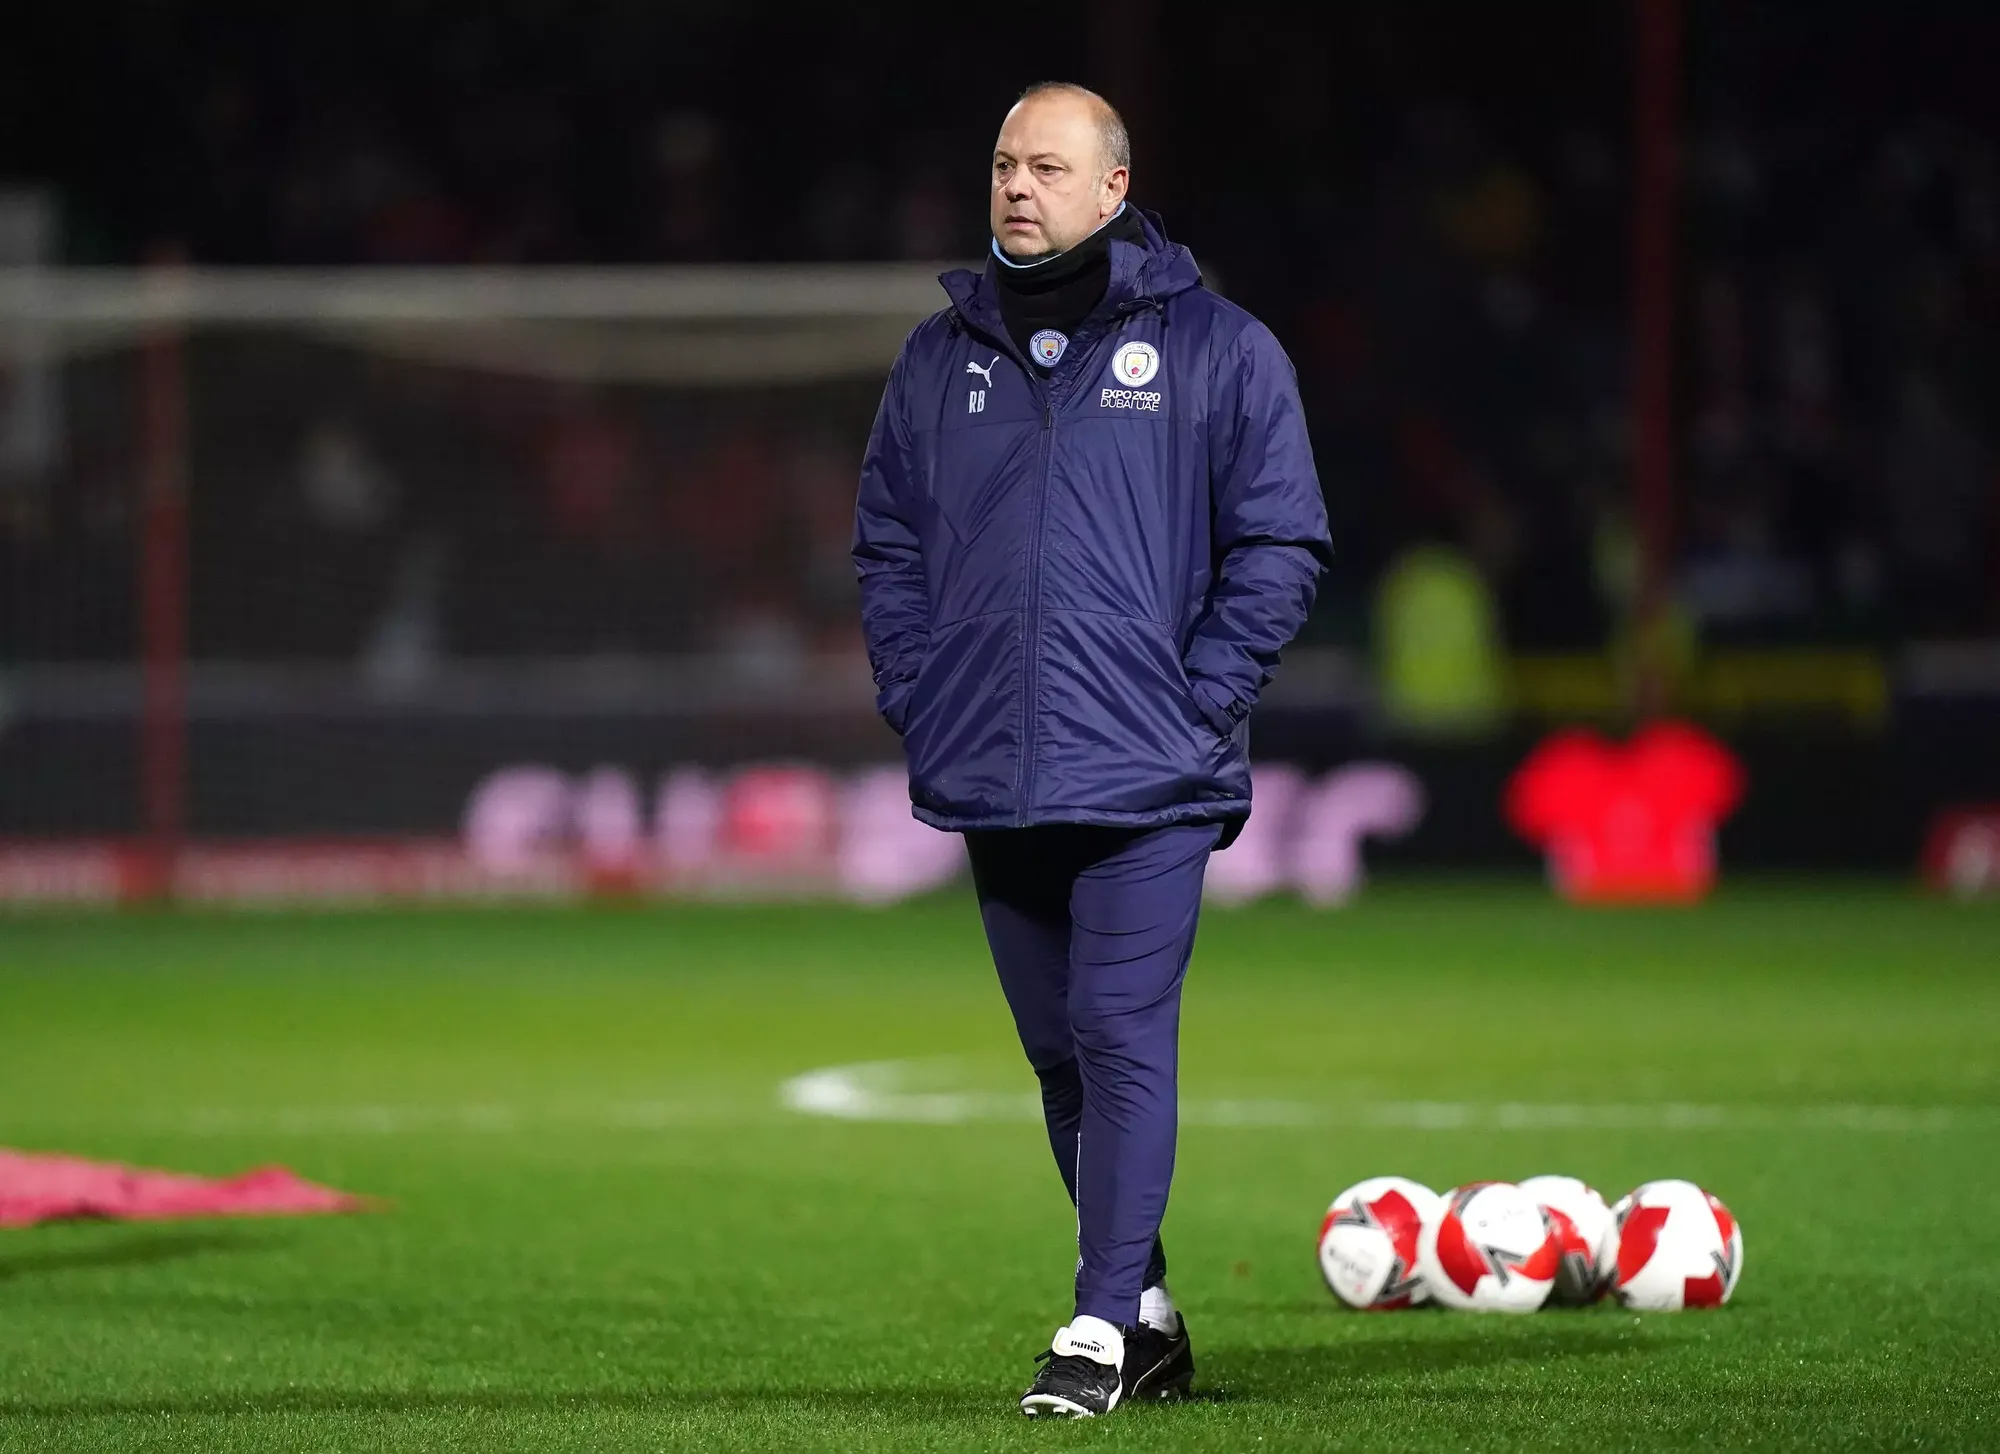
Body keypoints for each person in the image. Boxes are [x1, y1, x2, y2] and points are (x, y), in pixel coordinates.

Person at [852, 82, 1331, 1418]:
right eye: (1004, 160)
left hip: (1149, 775)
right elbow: (886, 541)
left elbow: (1284, 539)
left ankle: (1098, 1324)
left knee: (1120, 1032)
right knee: (1061, 1053)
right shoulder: (937, 357)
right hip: (994, 770)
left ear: (1112, 190)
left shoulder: (1218, 347)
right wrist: (919, 684)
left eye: (1048, 165)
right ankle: (1155, 1310)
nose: (1017, 184)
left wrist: (1207, 694)